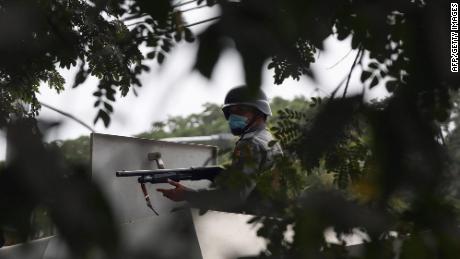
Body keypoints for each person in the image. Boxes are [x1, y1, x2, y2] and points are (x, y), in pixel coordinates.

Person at [157, 86, 283, 213]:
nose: (234, 116)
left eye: (240, 110)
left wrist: (187, 195)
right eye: (231, 112)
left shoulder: (249, 144)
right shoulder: (268, 139)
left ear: (259, 113)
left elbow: (235, 197)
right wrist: (201, 173)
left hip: (253, 219)